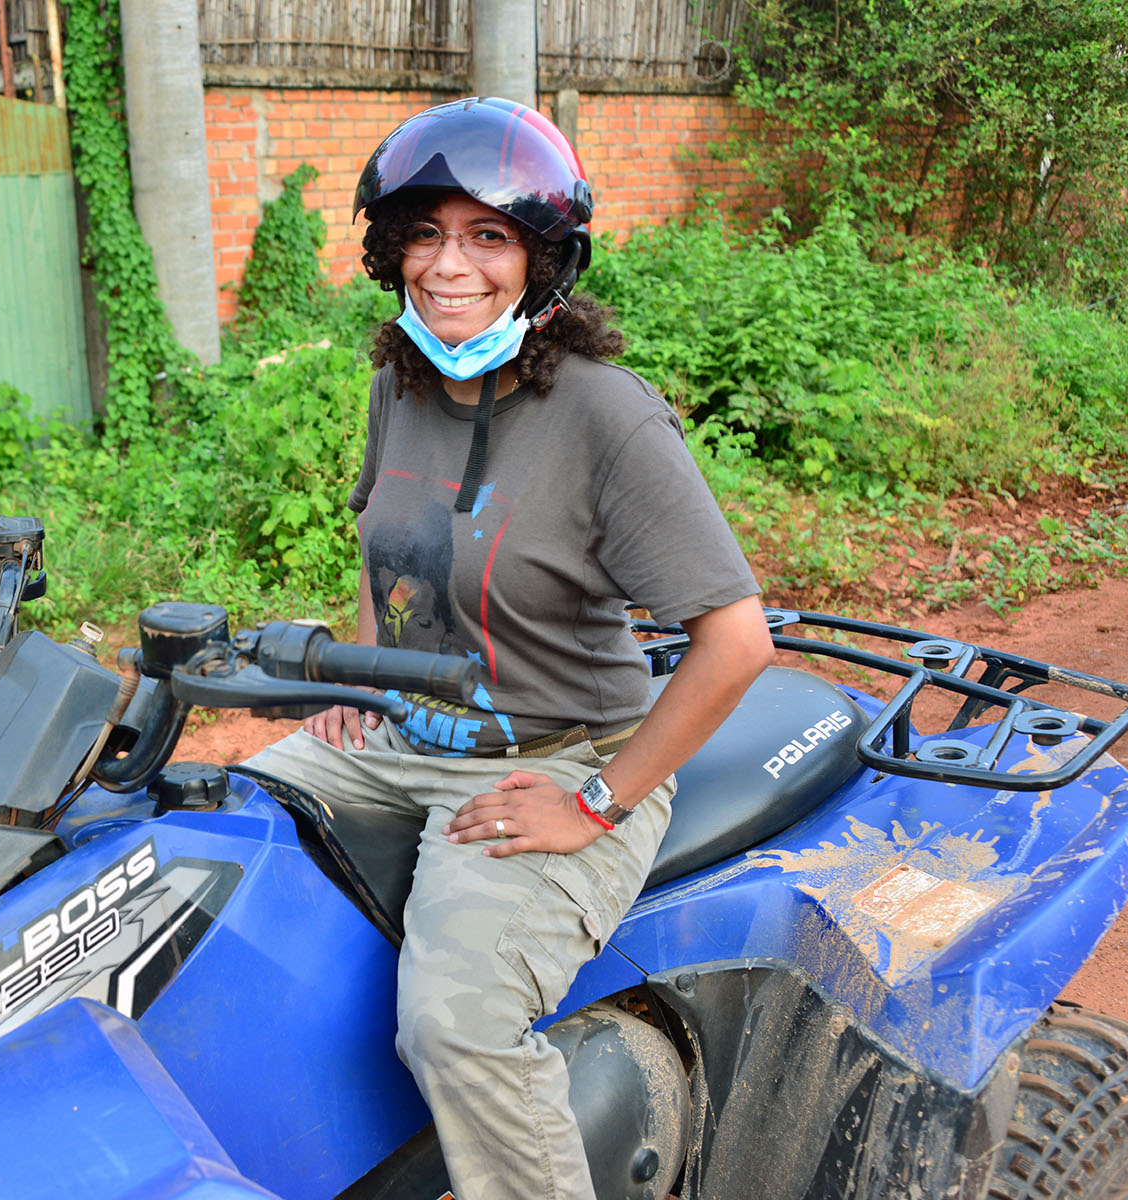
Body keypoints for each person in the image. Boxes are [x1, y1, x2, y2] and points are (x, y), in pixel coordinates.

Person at [242, 97, 775, 1200]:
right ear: (392, 251)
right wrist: (357, 673)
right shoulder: (400, 383)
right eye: (425, 234)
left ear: (541, 260)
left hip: (558, 759)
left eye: (487, 235)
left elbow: (734, 642)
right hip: (400, 733)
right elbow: (387, 552)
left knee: (456, 1024)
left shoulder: (604, 416)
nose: (450, 266)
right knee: (202, 837)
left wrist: (595, 803)